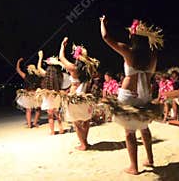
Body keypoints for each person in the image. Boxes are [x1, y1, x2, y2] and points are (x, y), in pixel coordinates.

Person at [100, 15, 163, 175]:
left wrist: (102, 23)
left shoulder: (129, 52)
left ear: (133, 37)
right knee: (144, 126)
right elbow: (152, 61)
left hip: (129, 94)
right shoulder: (152, 55)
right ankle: (150, 159)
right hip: (145, 95)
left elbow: (106, 37)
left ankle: (133, 167)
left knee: (129, 132)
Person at [59, 37, 100, 151]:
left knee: (76, 122)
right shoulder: (89, 69)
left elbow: (61, 58)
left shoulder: (73, 68)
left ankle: (83, 144)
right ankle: (85, 141)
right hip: (85, 97)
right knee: (86, 120)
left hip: (75, 99)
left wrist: (62, 45)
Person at [37, 51, 65, 135]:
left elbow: (38, 67)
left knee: (50, 115)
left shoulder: (46, 74)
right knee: (57, 113)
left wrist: (40, 57)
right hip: (56, 95)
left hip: (48, 95)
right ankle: (61, 129)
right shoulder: (60, 76)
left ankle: (52, 131)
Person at [15, 58, 42, 128]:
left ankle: (30, 125)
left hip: (28, 95)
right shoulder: (38, 76)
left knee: (28, 110)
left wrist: (18, 61)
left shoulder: (25, 76)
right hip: (36, 94)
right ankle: (35, 123)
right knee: (38, 109)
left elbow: (18, 70)